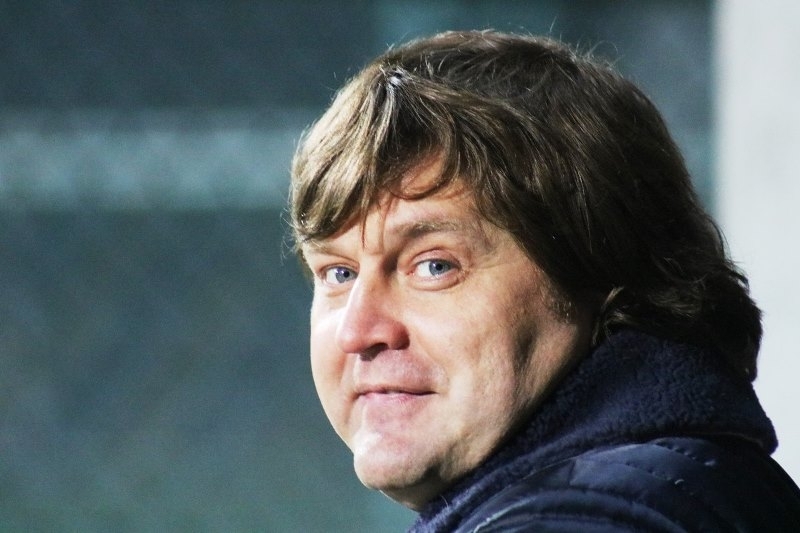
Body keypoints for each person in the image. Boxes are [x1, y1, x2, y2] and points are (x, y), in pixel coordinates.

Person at [289, 30, 800, 531]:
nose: (358, 331)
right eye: (339, 273)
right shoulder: (687, 483)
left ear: (599, 266)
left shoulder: (580, 517)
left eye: (435, 266)